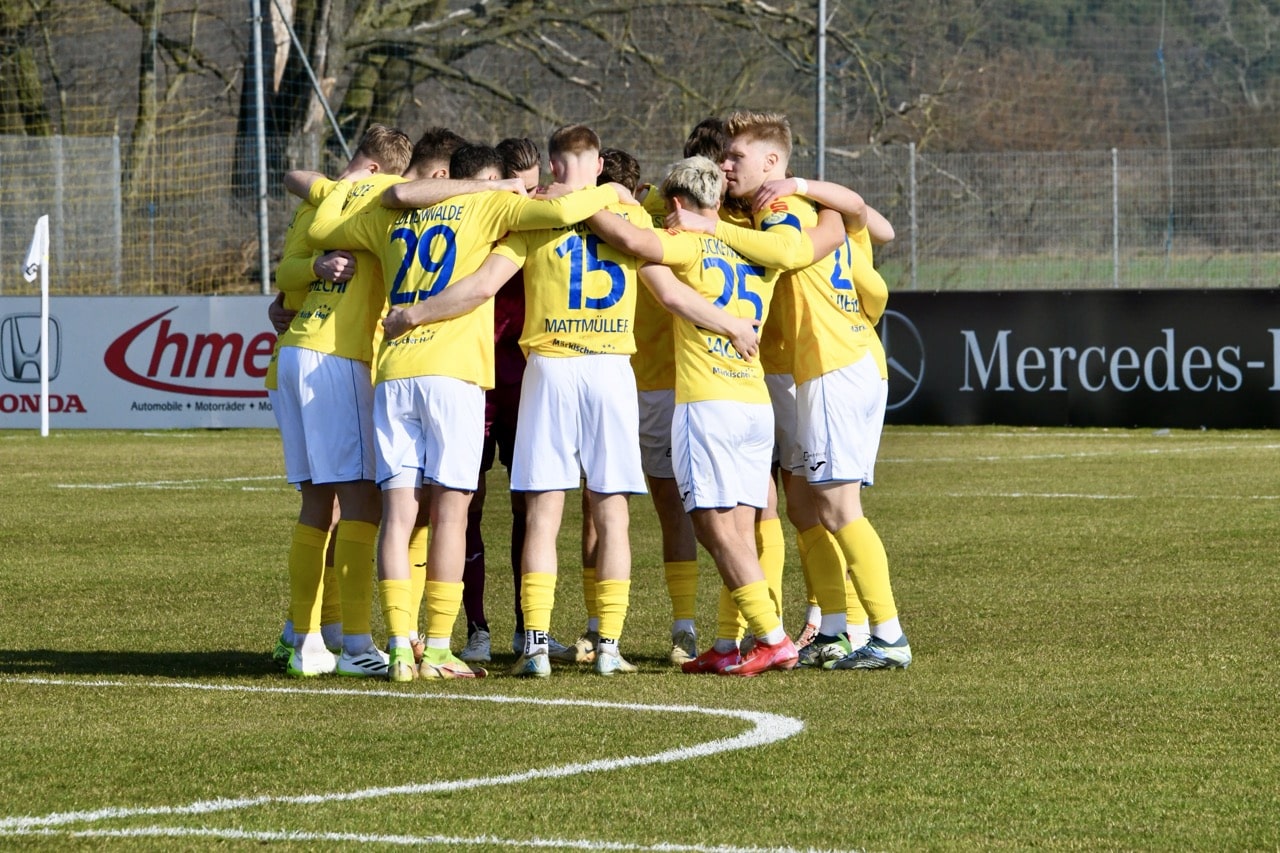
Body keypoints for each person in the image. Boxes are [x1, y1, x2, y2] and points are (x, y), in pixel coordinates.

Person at [309, 141, 625, 681]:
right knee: (452, 514)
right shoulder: (493, 204)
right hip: (453, 373)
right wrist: (608, 189)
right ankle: (436, 647)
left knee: (401, 512)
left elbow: (323, 229)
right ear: (489, 179)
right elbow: (564, 209)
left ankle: (398, 646)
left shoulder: (391, 213)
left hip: (396, 373)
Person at [669, 109, 912, 670]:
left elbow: (789, 253)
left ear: (773, 163)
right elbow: (872, 222)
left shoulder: (783, 206)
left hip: (834, 363)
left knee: (837, 505)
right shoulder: (802, 205)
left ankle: (888, 635)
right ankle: (834, 629)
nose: (725, 166)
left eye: (736, 157)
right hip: (811, 369)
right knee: (807, 505)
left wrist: (715, 226)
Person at [588, 154, 847, 675]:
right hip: (753, 405)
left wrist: (586, 196)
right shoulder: (760, 250)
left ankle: (772, 638)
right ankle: (729, 645)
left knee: (712, 525)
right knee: (742, 527)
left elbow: (637, 245)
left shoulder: (686, 242)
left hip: (707, 405)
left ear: (679, 204)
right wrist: (812, 192)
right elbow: (833, 231)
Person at [271, 124, 413, 677]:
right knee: (361, 502)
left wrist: (312, 268)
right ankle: (356, 647)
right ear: (382, 172)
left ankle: (304, 637)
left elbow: (285, 272)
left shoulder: (324, 197)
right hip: (336, 355)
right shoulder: (379, 202)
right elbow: (291, 275)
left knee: (318, 503)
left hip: (298, 351)